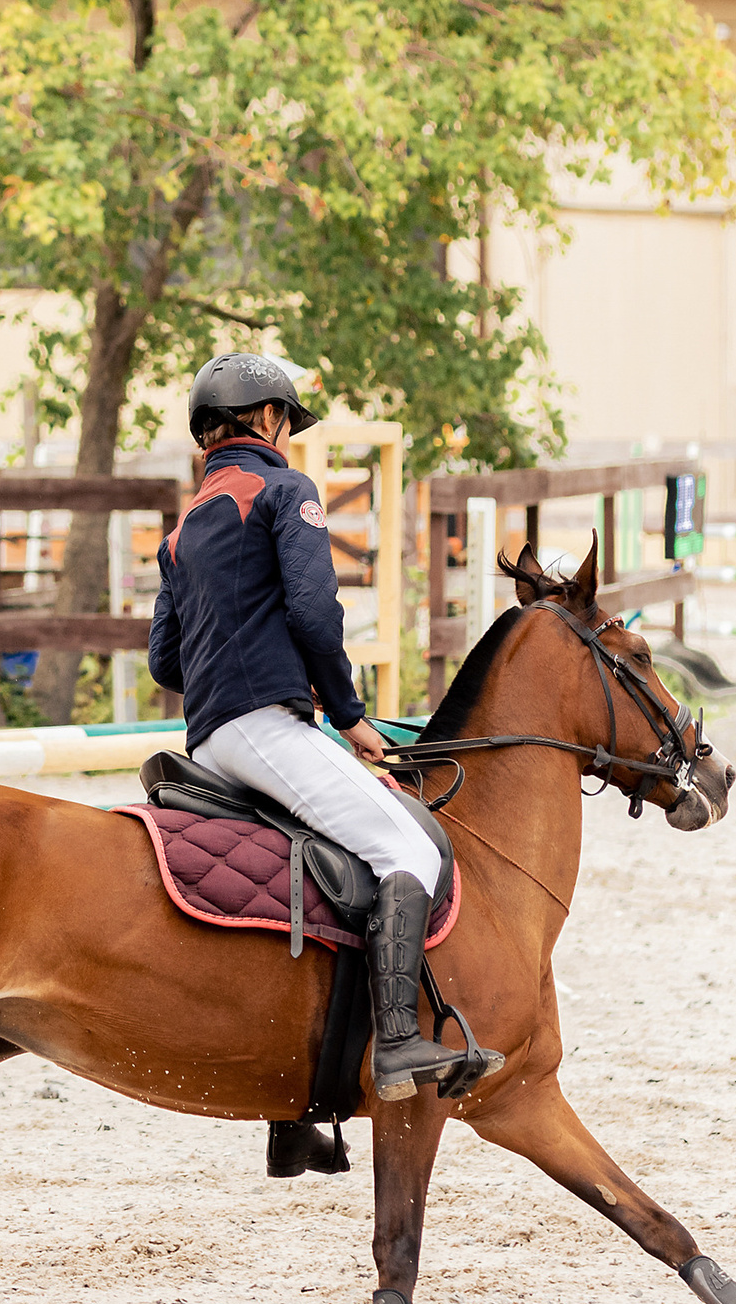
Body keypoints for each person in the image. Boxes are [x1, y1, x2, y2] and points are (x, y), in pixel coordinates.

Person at [148, 353, 500, 1109]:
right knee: (405, 846)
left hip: (208, 740)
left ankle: (300, 1107)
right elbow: (315, 613)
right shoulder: (285, 491)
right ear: (267, 418)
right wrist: (349, 715)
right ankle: (400, 1042)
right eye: (285, 420)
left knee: (326, 860)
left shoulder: (177, 535)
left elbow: (165, 661)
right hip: (266, 727)